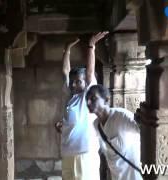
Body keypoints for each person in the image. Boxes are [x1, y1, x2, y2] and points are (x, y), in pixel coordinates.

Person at [55, 32, 108, 180]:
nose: (73, 84)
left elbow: (90, 73)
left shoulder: (88, 97)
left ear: (86, 83)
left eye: (78, 81)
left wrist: (91, 46)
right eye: (73, 81)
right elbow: (65, 72)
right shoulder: (70, 97)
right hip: (67, 154)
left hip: (84, 154)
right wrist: (67, 49)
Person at [86, 84, 142, 180]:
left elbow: (143, 131)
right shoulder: (96, 125)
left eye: (93, 98)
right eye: (87, 99)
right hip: (116, 175)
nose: (88, 102)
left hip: (133, 175)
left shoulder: (122, 116)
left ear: (106, 100)